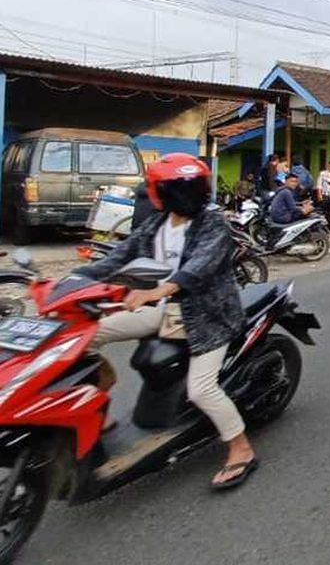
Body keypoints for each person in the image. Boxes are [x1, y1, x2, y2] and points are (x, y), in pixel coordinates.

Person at [75, 153, 257, 490]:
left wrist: (155, 291)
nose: (191, 193)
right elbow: (120, 255)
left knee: (201, 389)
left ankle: (240, 448)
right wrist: (70, 281)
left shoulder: (213, 223)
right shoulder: (157, 224)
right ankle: (97, 412)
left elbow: (198, 268)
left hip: (208, 315)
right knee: (86, 336)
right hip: (167, 309)